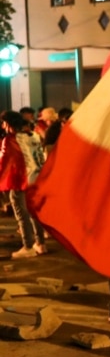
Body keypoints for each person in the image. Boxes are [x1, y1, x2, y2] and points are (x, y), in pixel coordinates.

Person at [0, 110, 47, 258]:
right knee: (35, 213)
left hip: (21, 181)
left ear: (8, 124)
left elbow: (4, 161)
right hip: (37, 179)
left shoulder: (11, 139)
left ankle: (27, 246)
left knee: (22, 215)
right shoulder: (34, 136)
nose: (2, 126)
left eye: (3, 123)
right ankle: (40, 244)